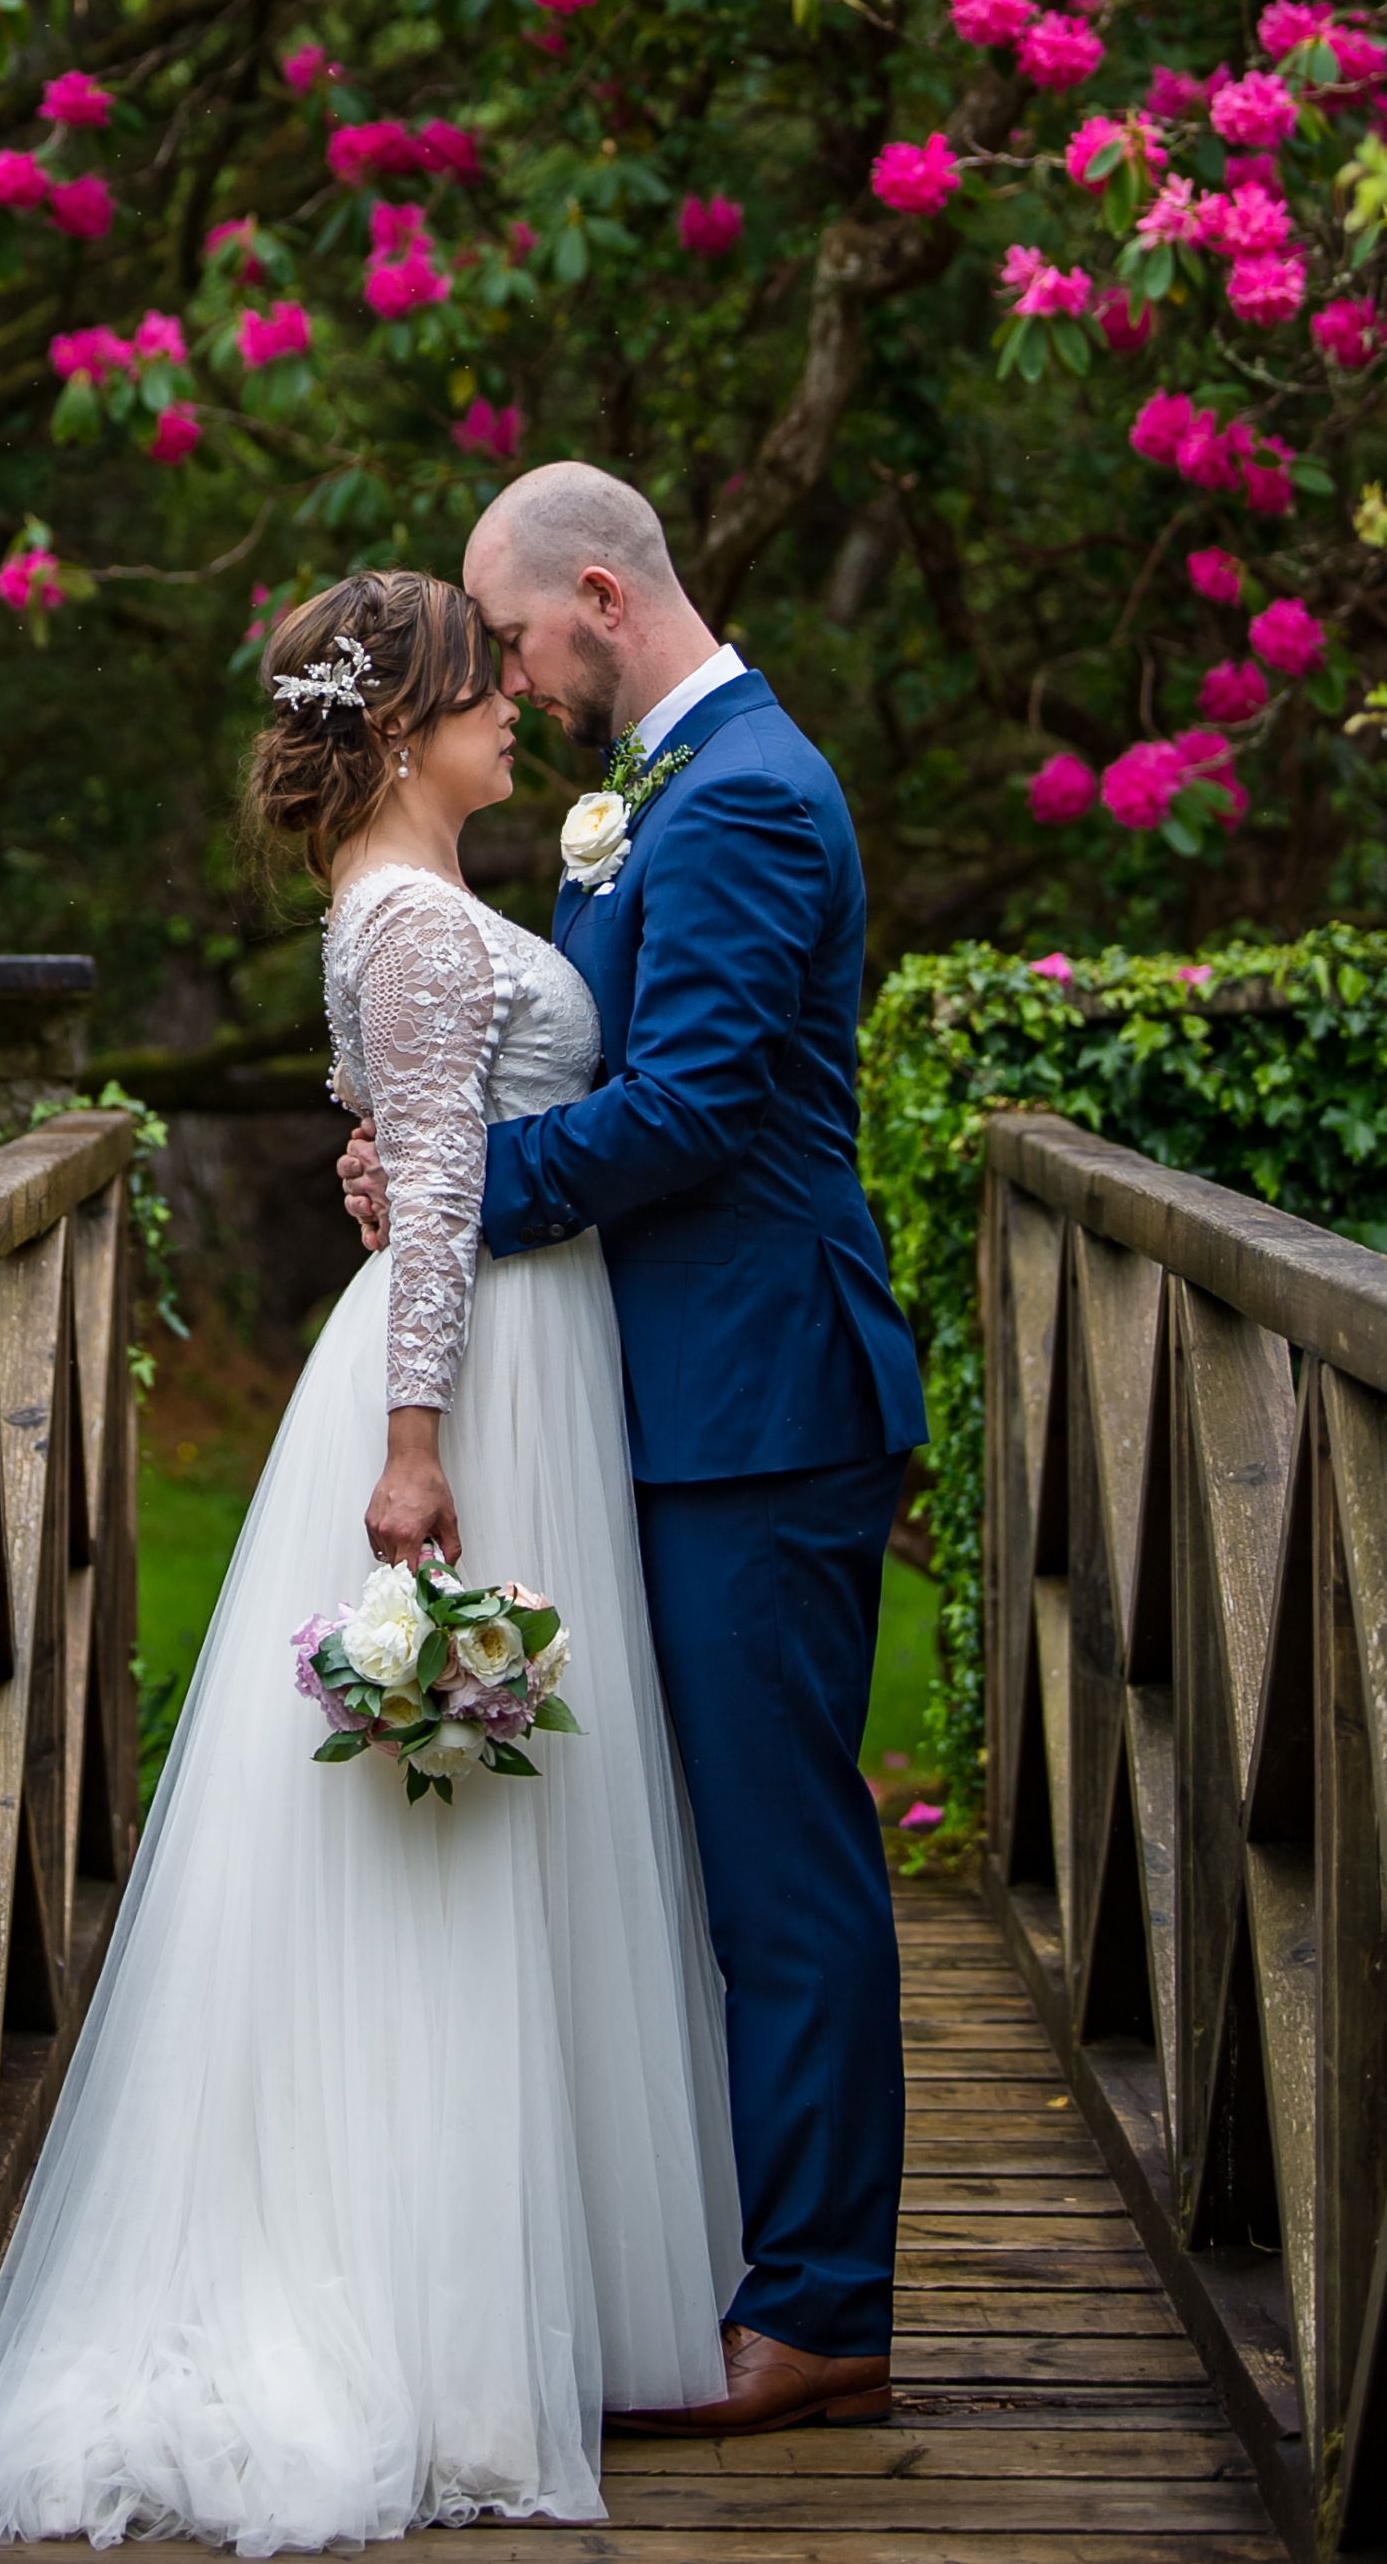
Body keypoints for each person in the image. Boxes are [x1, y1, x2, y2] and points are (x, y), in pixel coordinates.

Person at [0, 568, 740, 2554]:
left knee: (477, 1814)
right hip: (468, 1381)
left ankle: (519, 2296)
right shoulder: (418, 924)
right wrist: (421, 1450)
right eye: (484, 691)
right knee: (454, 1823)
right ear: (403, 726)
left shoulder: (390, 912)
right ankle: (443, 2335)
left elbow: (406, 1152)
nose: (517, 711)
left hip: (492, 1349)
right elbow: (432, 1188)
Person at [338, 463, 927, 2439]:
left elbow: (682, 1112)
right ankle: (722, 2260)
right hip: (674, 1397)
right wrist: (434, 1160)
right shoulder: (662, 793)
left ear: (602, 594)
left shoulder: (748, 791)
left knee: (782, 1869)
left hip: (763, 1404)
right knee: (698, 1860)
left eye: (515, 641)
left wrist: (450, 1187)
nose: (512, 677)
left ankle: (826, 2302)